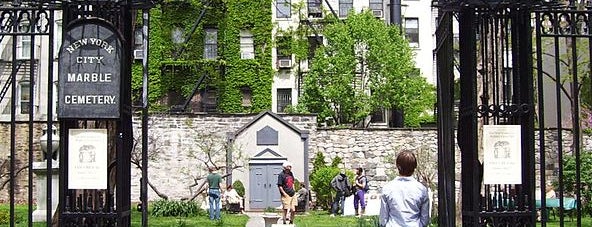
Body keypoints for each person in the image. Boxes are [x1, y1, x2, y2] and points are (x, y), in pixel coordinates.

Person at [379, 150, 430, 227]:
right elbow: (425, 218)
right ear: (415, 167)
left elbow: (383, 218)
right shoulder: (421, 190)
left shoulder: (387, 188)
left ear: (397, 166)